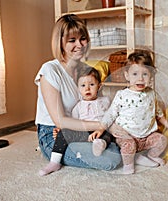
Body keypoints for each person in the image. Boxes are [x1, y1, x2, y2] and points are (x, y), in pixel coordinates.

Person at [34, 14, 121, 173]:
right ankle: (53, 156)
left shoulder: (86, 71)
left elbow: (96, 103)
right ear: (60, 43)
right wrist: (102, 126)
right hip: (54, 134)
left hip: (84, 128)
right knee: (111, 159)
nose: (80, 45)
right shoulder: (49, 70)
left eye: (83, 38)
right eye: (72, 40)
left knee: (123, 143)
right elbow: (59, 121)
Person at [95, 51, 168, 174]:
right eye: (135, 74)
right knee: (129, 145)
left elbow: (158, 112)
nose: (140, 78)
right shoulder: (122, 95)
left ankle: (151, 155)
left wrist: (166, 123)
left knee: (162, 140)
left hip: (146, 135)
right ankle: (128, 164)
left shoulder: (151, 94)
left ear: (151, 76)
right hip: (127, 134)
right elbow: (111, 113)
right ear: (127, 75)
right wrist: (101, 129)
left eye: (145, 74)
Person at [39, 67, 114, 176]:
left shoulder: (105, 101)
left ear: (99, 86)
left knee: (110, 133)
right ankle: (54, 162)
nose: (87, 89)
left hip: (100, 131)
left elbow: (111, 116)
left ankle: (100, 144)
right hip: (83, 132)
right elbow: (73, 123)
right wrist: (61, 131)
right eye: (83, 86)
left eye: (92, 85)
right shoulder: (78, 107)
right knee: (64, 133)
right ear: (78, 88)